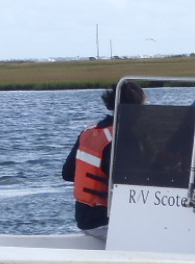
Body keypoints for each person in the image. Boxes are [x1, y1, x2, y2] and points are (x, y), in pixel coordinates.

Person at [62, 80, 145, 239]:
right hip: (107, 221)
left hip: (85, 219)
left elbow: (67, 173)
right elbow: (137, 181)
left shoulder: (89, 132)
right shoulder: (126, 138)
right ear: (135, 109)